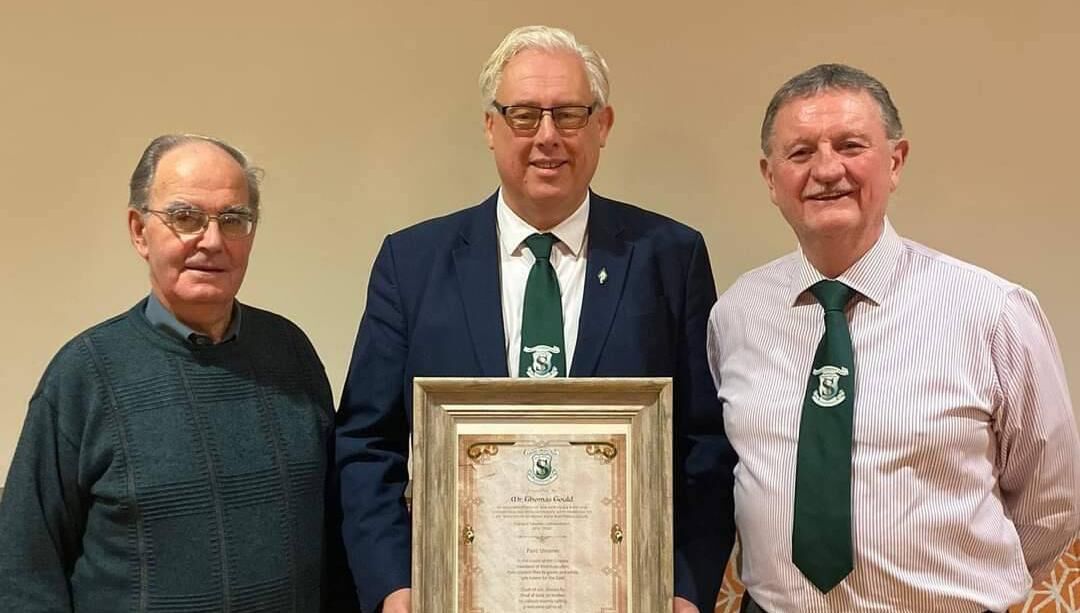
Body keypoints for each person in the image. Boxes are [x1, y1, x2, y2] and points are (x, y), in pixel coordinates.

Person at [336, 25, 735, 613]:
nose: (547, 136)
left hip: (628, 597)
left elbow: (704, 442)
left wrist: (684, 589)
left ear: (603, 125)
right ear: (490, 127)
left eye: (569, 114)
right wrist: (394, 588)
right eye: (523, 115)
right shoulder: (412, 262)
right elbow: (368, 442)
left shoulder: (670, 257)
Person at [707, 63, 1080, 612]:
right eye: (801, 152)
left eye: (851, 145)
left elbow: (1050, 504)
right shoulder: (737, 313)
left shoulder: (992, 311)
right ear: (770, 177)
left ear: (896, 161)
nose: (827, 169)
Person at [0, 134, 346, 612]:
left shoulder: (291, 355)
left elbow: (336, 531)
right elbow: (23, 569)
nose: (212, 240)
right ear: (139, 230)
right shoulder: (83, 375)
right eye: (185, 218)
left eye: (233, 219)